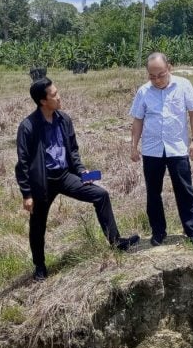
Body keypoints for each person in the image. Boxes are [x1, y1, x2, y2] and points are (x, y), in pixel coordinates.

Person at [15, 78, 139, 281]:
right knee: (38, 224)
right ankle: (40, 267)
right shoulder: (28, 127)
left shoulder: (64, 119)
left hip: (64, 176)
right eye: (54, 95)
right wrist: (27, 194)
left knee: (100, 195)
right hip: (42, 182)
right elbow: (22, 163)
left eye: (57, 92)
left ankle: (116, 242)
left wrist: (81, 171)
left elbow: (73, 151)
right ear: (42, 101)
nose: (59, 96)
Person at [129, 52, 193, 248]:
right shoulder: (143, 92)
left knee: (185, 190)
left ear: (169, 67)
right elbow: (138, 120)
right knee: (153, 193)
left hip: (177, 147)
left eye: (160, 75)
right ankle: (158, 232)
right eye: (152, 76)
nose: (156, 80)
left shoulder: (183, 85)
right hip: (152, 150)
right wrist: (133, 146)